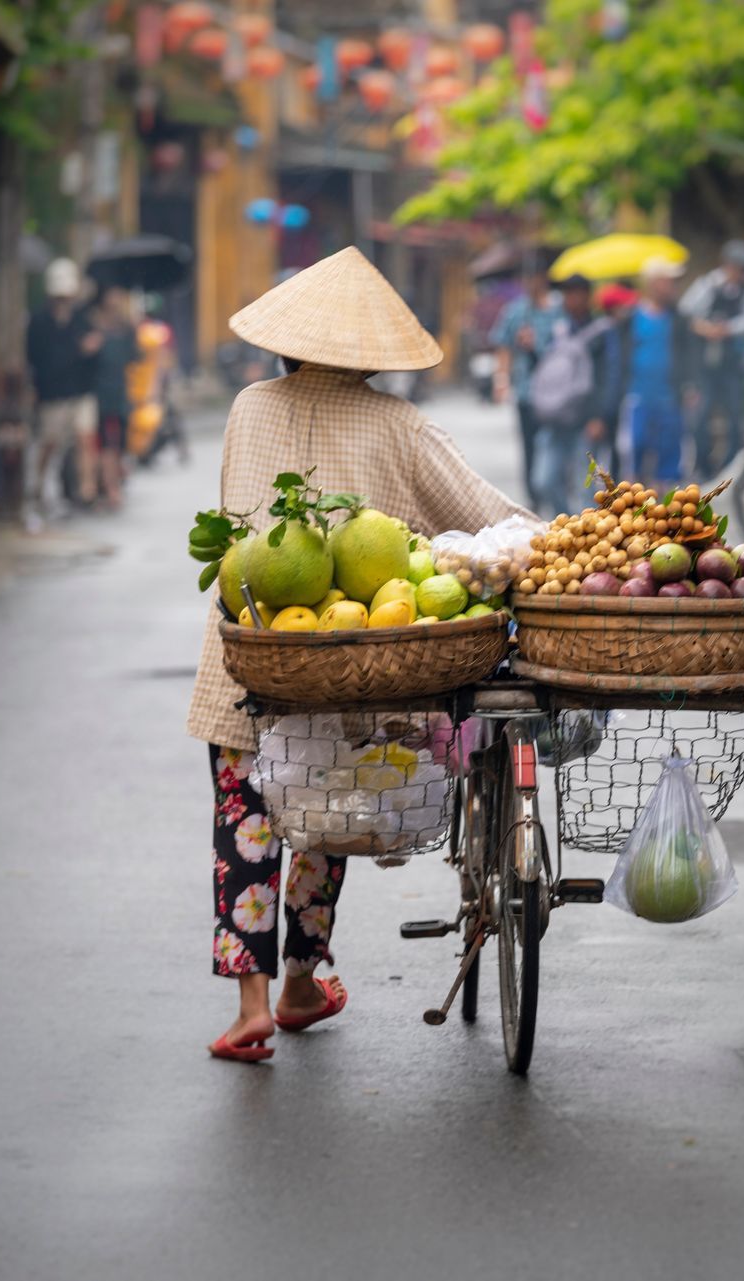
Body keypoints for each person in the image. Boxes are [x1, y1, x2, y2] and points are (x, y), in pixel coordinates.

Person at [187, 248, 529, 1063]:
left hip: (249, 657)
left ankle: (252, 1004)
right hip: (352, 664)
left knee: (249, 817)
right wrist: (548, 536)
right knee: (319, 808)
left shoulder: (247, 407)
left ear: (286, 342)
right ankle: (306, 980)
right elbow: (485, 517)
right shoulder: (398, 424)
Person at [527, 274, 620, 518]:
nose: (572, 299)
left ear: (588, 296)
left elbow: (609, 376)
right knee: (544, 481)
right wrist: (530, 351)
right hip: (555, 420)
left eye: (577, 293)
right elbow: (545, 371)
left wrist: (600, 416)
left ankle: (583, 537)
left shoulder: (602, 332)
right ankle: (567, 524)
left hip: (585, 422)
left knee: (585, 489)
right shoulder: (556, 330)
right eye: (568, 294)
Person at [679, 239, 744, 475]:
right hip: (705, 365)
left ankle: (733, 467)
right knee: (700, 417)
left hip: (734, 364)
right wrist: (705, 328)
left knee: (736, 416)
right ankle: (704, 465)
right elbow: (686, 312)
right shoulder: (708, 284)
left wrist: (727, 329)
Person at [24, 258, 101, 528]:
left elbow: (93, 351)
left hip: (80, 388)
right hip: (53, 392)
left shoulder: (81, 318)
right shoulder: (39, 320)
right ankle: (37, 486)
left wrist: (90, 349)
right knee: (50, 441)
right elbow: (39, 358)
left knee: (84, 438)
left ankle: (86, 490)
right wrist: (79, 350)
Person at [621, 256, 696, 486]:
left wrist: (691, 385)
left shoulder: (679, 319)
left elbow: (689, 354)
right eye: (668, 281)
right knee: (635, 451)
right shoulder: (630, 317)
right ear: (653, 283)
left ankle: (666, 511)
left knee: (670, 454)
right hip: (638, 396)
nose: (673, 286)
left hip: (669, 397)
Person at [491, 266, 560, 507]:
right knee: (529, 445)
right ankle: (533, 495)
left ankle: (553, 487)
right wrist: (501, 379)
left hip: (556, 391)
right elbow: (503, 346)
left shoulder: (558, 310)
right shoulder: (516, 312)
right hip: (526, 391)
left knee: (553, 442)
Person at [88, 285, 137, 512]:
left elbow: (134, 358)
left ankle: (111, 485)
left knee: (117, 444)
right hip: (100, 393)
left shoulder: (126, 329)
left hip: (119, 393)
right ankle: (109, 488)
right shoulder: (94, 327)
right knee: (105, 444)